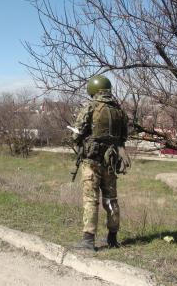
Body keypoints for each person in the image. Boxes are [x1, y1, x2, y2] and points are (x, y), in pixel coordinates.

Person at [71, 75, 129, 250]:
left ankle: (88, 240)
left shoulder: (90, 107)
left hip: (92, 161)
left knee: (91, 199)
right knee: (111, 199)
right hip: (111, 161)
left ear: (93, 89)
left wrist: (78, 136)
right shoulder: (119, 111)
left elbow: (76, 135)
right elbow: (123, 137)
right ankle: (112, 239)